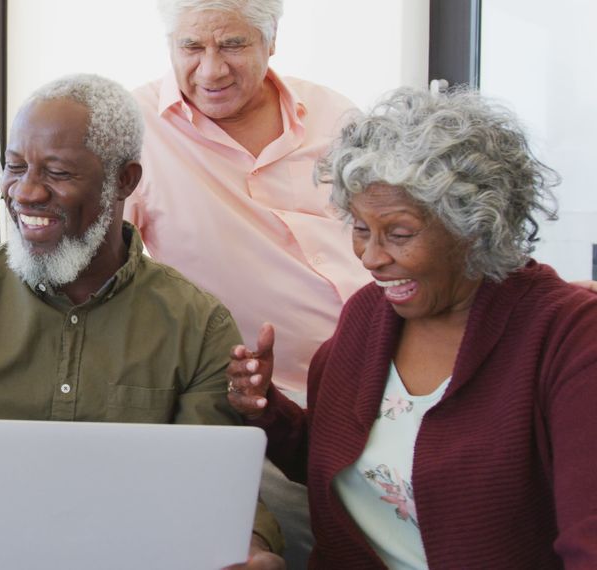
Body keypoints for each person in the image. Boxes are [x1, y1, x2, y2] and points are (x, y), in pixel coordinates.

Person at [0, 74, 284, 569]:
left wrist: (253, 551)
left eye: (59, 173)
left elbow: (214, 493)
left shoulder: (197, 325)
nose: (25, 193)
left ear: (124, 180)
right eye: (15, 167)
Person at [228, 87, 597, 568]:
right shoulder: (368, 315)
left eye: (399, 234)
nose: (371, 258)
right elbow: (333, 462)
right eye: (360, 229)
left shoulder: (568, 337)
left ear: (475, 227)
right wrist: (265, 409)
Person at [124, 0, 367, 562]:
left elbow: (408, 235)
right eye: (191, 47)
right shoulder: (134, 127)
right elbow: (89, 263)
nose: (211, 70)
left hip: (385, 385)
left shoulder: (337, 117)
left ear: (271, 39)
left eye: (232, 44)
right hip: (261, 408)